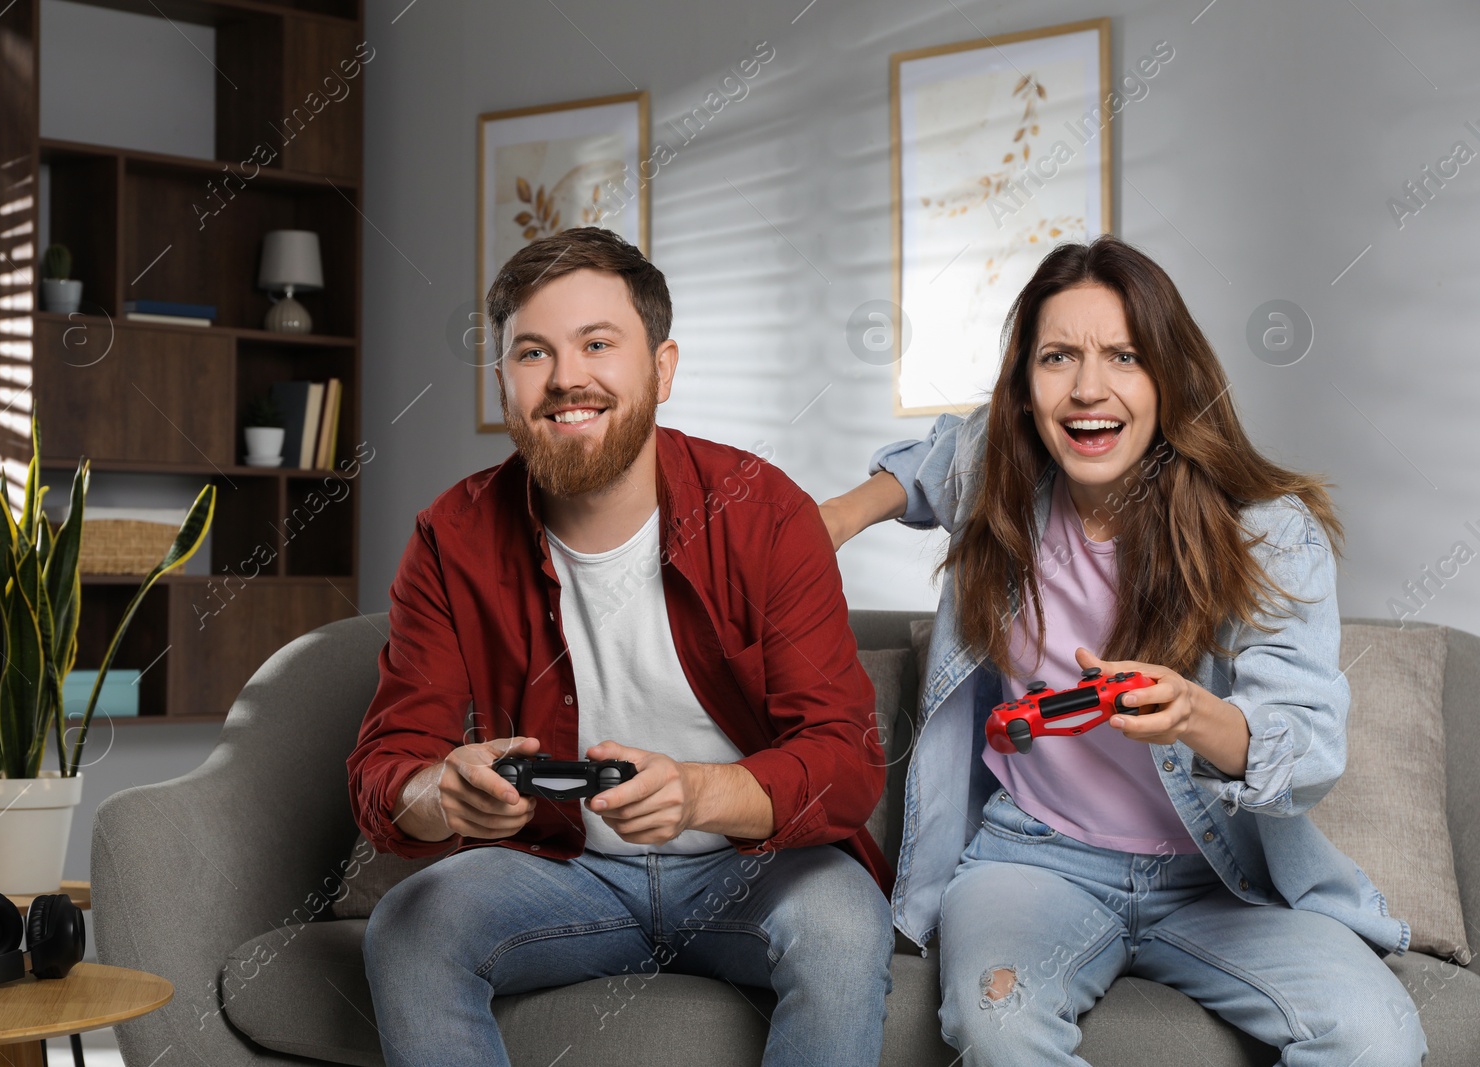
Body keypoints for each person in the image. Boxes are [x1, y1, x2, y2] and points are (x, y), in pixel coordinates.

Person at [820, 235, 1426, 1065]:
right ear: (1026, 391)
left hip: (1216, 880)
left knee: (1376, 1035)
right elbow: (937, 458)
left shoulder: (1268, 533)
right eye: (1058, 357)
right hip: (1032, 861)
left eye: (1124, 357)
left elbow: (1309, 742)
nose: (1088, 388)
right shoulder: (1000, 478)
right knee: (998, 1023)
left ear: (1169, 379)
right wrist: (833, 521)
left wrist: (1198, 717)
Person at [349, 226, 894, 1067]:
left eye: (597, 344)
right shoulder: (450, 538)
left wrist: (700, 794)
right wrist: (444, 794)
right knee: (409, 928)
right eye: (533, 352)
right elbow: (391, 761)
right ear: (502, 380)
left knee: (843, 926)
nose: (567, 377)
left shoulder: (767, 514)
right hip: (562, 870)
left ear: (662, 368)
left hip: (751, 871)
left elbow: (847, 762)